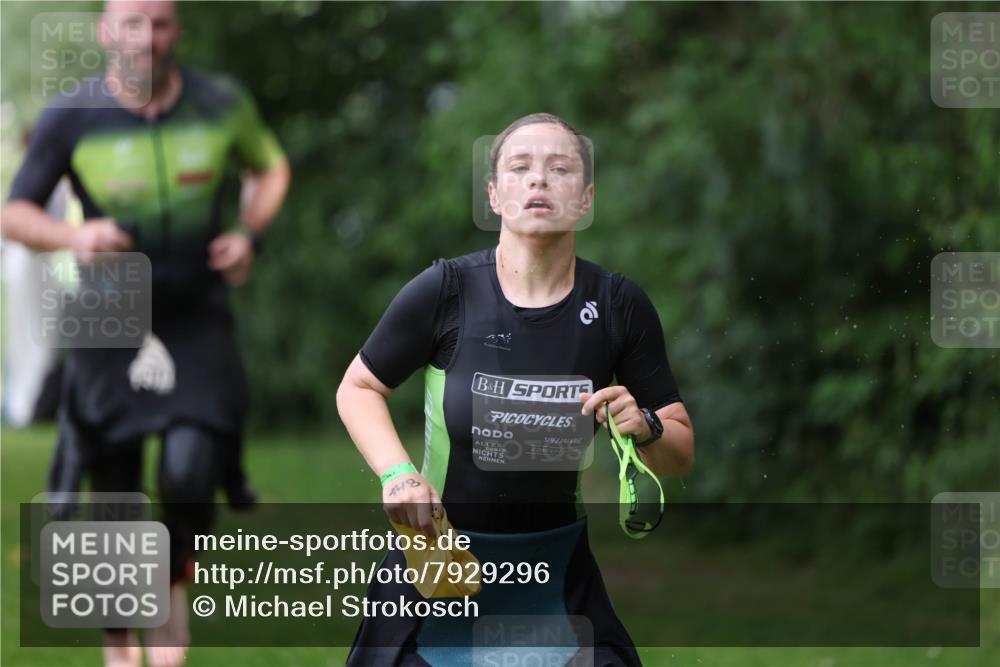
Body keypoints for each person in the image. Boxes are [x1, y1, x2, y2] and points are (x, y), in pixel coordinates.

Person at [337, 113, 694, 666]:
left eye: (560, 168)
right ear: (494, 195)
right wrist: (397, 474)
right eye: (520, 167)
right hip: (438, 564)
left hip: (555, 576)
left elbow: (679, 450)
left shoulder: (618, 305)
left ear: (586, 198)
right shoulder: (446, 291)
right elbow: (359, 386)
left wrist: (645, 426)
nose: (539, 179)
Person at [0, 2, 291, 666]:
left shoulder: (220, 103)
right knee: (115, 485)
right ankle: (120, 643)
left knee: (192, 468)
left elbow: (270, 167)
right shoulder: (71, 115)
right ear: (106, 31)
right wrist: (74, 236)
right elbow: (14, 213)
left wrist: (248, 232)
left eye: (159, 23)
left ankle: (173, 572)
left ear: (176, 30)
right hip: (109, 307)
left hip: (195, 311)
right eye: (131, 22)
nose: (146, 38)